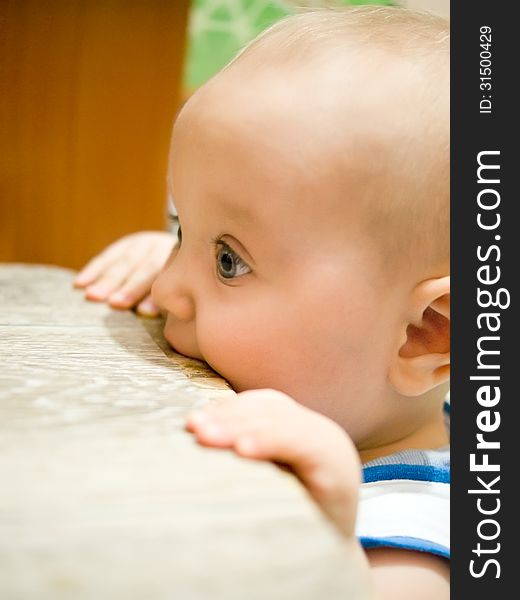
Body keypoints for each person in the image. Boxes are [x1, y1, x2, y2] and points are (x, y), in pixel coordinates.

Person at [76, 7, 450, 597]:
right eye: (180, 227)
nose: (170, 288)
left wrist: (325, 539)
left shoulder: (417, 531)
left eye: (229, 259)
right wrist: (184, 250)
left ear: (425, 334)